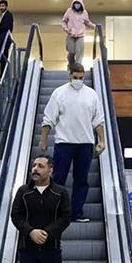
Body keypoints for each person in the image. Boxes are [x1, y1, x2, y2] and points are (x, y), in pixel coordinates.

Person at [41, 63, 105, 223]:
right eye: (75, 77)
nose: (78, 80)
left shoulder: (91, 95)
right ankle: (55, 212)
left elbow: (98, 120)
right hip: (64, 143)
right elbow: (48, 118)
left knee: (81, 180)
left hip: (85, 144)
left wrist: (102, 140)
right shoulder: (59, 93)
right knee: (58, 179)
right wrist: (43, 140)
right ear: (70, 75)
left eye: (81, 78)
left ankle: (77, 213)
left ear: (84, 76)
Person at [61, 0, 95, 70]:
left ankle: (78, 68)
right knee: (71, 52)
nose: (77, 5)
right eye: (75, 3)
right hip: (71, 35)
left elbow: (87, 22)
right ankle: (70, 66)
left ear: (81, 4)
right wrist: (66, 29)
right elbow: (64, 22)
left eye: (78, 3)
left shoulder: (84, 13)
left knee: (79, 53)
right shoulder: (69, 11)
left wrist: (95, 27)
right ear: (73, 4)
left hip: (80, 35)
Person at [0, 0, 13, 78]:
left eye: (3, 6)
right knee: (3, 56)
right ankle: (3, 74)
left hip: (4, 37)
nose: (1, 8)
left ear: (6, 6)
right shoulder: (5, 15)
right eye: (0, 6)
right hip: (3, 36)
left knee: (3, 55)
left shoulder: (8, 15)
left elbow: (6, 27)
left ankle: (3, 75)